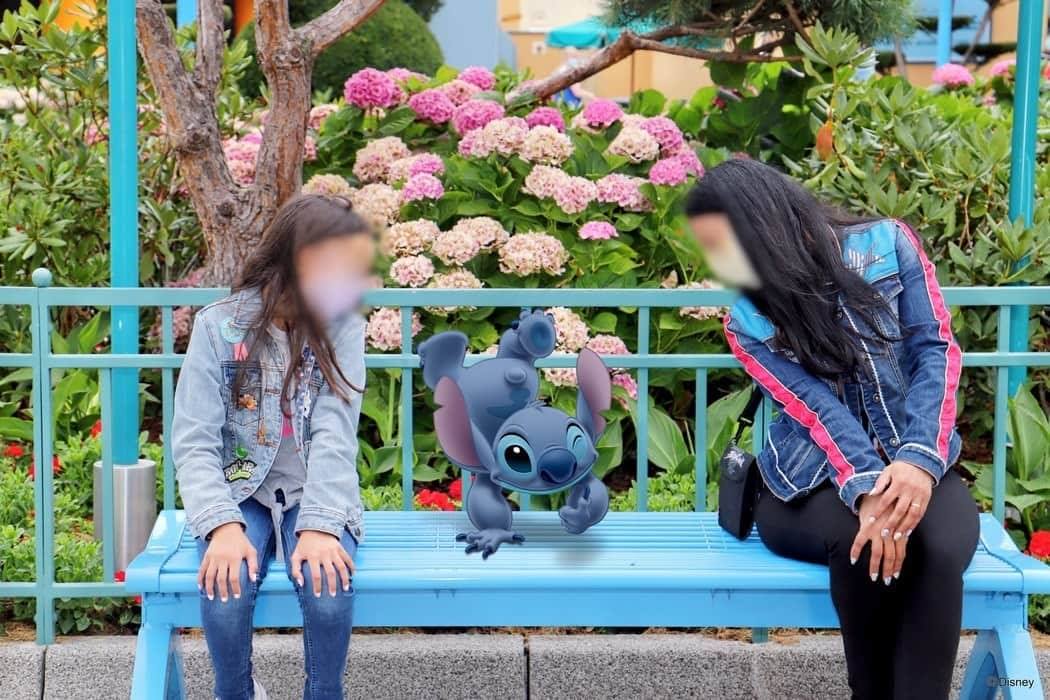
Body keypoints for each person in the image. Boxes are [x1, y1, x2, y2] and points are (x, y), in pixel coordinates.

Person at [685, 159, 979, 700]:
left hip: (916, 458)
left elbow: (935, 349)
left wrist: (917, 460)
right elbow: (817, 409)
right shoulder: (748, 320)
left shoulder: (889, 245)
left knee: (935, 549)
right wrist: (866, 487)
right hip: (808, 483)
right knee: (860, 541)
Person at [173, 194, 374, 700]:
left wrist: (321, 526)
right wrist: (222, 526)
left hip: (313, 488)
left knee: (328, 591)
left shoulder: (344, 326)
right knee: (227, 589)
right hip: (240, 487)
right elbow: (194, 441)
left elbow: (335, 434)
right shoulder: (218, 327)